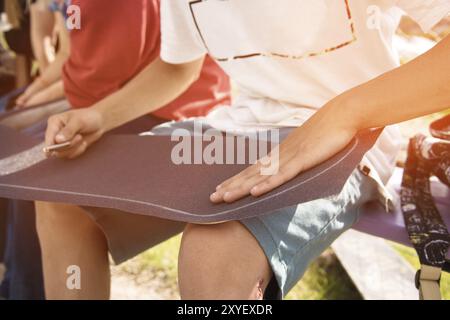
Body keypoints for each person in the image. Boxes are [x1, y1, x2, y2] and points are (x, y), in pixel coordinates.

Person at [38, 0, 450, 300]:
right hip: (238, 130)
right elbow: (178, 66)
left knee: (212, 260)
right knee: (63, 197)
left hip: (349, 139)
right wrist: (101, 116)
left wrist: (342, 114)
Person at [5, 0, 229, 300]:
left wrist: (49, 93)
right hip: (156, 103)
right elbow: (73, 58)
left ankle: (25, 290)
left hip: (176, 112)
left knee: (39, 174)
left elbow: (97, 75)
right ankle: (19, 284)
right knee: (23, 161)